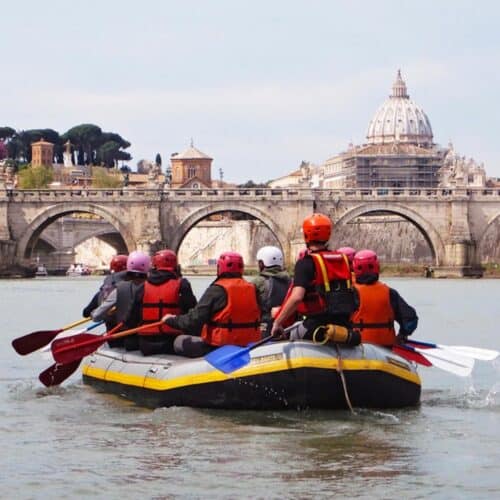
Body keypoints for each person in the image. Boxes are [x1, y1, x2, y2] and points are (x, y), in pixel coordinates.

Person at [271, 213, 358, 344]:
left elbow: (296, 298)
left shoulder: (306, 262)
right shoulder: (343, 259)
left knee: (282, 337)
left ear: (306, 235)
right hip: (344, 327)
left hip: (316, 327)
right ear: (328, 235)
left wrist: (278, 322)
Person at [162, 251, 261, 358]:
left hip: (220, 347)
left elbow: (193, 321)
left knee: (178, 341)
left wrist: (171, 320)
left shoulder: (216, 289)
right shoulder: (253, 288)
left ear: (220, 268)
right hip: (250, 345)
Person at [350, 249, 418, 347]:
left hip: (358, 348)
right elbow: (411, 319)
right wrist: (402, 335)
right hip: (386, 349)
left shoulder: (350, 294)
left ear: (355, 269)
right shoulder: (390, 293)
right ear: (377, 267)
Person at [138, 249, 197, 356]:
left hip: (146, 344)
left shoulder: (143, 286)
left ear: (154, 265)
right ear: (175, 266)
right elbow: (192, 311)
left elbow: (133, 315)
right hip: (172, 342)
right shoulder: (182, 284)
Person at [91, 251, 151, 349]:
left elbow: (96, 317)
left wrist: (95, 314)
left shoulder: (119, 289)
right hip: (150, 338)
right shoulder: (156, 287)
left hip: (126, 339)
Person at [251, 246, 291, 336]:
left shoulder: (257, 282)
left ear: (262, 264)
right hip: (288, 328)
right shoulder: (290, 281)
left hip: (265, 329)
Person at [82, 254, 128, 323]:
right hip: (129, 326)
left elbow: (85, 313)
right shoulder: (133, 287)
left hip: (111, 325)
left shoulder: (102, 291)